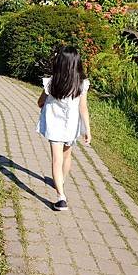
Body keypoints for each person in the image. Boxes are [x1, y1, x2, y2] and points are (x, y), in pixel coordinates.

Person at [36, 46, 91, 211]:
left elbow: (40, 102)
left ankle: (61, 197)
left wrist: (45, 104)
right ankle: (61, 181)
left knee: (56, 160)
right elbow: (83, 108)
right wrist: (87, 130)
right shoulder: (81, 84)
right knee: (67, 157)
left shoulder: (52, 82)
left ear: (60, 62)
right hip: (71, 127)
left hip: (54, 126)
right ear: (76, 63)